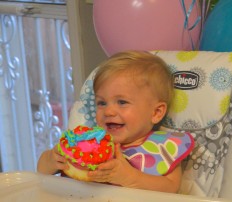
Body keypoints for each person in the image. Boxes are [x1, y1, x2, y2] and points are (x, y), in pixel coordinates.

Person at [37, 51, 194, 193]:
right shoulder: (86, 143)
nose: (109, 111)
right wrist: (52, 159)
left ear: (156, 112)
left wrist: (129, 177)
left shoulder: (162, 148)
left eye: (122, 102)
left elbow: (171, 188)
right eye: (101, 103)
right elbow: (40, 174)